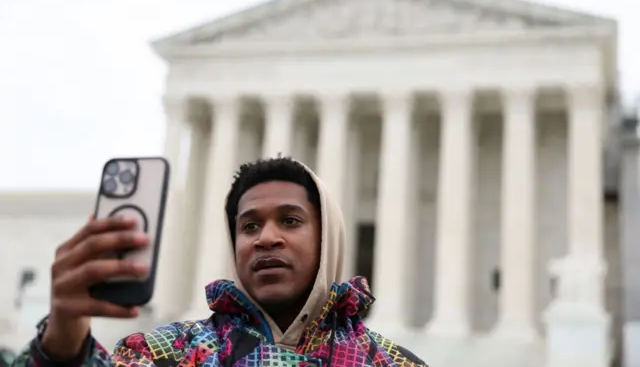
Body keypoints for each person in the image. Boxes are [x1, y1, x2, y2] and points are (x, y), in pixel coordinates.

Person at [12, 157, 427, 366]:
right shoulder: (165, 353)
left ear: (328, 238)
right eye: (249, 226)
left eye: (290, 220)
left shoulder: (393, 363)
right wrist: (62, 342)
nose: (266, 237)